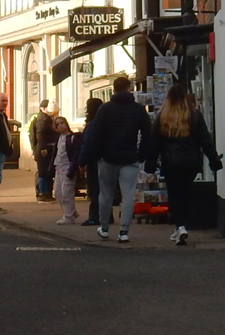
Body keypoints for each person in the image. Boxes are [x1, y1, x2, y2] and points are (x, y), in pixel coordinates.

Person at [145, 83, 223, 246]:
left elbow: (154, 143)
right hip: (191, 162)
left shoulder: (162, 117)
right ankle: (182, 225)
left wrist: (150, 164)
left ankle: (180, 226)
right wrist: (213, 160)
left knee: (175, 194)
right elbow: (205, 140)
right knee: (185, 193)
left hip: (171, 163)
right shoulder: (194, 115)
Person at [78, 75, 151, 243]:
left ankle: (104, 228)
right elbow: (147, 133)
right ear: (129, 88)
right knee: (128, 195)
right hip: (129, 157)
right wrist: (142, 154)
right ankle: (124, 231)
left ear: (113, 90)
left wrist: (97, 155)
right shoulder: (137, 109)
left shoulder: (105, 109)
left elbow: (96, 134)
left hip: (107, 157)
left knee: (105, 194)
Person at [69, 97, 111, 226]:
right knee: (105, 189)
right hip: (107, 159)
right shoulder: (107, 122)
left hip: (93, 160)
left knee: (94, 190)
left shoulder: (92, 125)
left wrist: (81, 162)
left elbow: (87, 145)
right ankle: (108, 215)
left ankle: (95, 216)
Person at [52, 116, 81, 224]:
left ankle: (68, 216)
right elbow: (56, 153)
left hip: (68, 168)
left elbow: (76, 154)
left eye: (62, 123)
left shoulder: (72, 138)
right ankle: (71, 212)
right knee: (58, 194)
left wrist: (73, 168)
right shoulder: (59, 138)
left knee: (66, 193)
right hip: (58, 168)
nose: (60, 125)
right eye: (57, 124)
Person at [34, 100, 60, 202]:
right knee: (44, 173)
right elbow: (40, 135)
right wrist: (43, 147)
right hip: (44, 150)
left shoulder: (44, 119)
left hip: (47, 148)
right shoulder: (42, 120)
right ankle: (43, 194)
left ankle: (46, 193)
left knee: (46, 173)